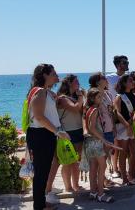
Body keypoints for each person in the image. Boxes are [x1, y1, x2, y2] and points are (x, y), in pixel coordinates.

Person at [26, 64, 70, 210]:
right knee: (41, 173)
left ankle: (41, 203)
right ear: (45, 75)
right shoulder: (40, 92)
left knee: (42, 172)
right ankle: (39, 206)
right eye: (53, 73)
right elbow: (39, 117)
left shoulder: (43, 91)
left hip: (42, 134)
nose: (56, 75)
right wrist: (57, 132)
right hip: (41, 135)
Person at [84, 88, 119, 203]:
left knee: (93, 168)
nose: (101, 99)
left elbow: (87, 128)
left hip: (89, 142)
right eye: (99, 97)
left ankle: (93, 192)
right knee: (102, 167)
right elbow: (92, 128)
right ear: (92, 98)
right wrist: (103, 139)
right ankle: (100, 194)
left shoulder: (88, 109)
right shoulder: (95, 110)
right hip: (96, 142)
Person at [56, 74, 85, 192]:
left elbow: (82, 110)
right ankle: (68, 187)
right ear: (69, 83)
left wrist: (82, 98)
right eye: (76, 82)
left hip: (78, 130)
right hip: (67, 132)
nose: (78, 84)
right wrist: (81, 98)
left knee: (77, 160)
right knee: (67, 162)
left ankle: (76, 185)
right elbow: (75, 108)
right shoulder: (62, 99)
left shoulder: (75, 97)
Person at [89, 73, 118, 182]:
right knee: (99, 159)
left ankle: (102, 179)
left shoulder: (108, 94)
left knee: (105, 156)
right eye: (103, 78)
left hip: (109, 128)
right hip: (99, 131)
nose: (106, 79)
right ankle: (100, 181)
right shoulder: (93, 95)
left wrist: (114, 127)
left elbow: (111, 112)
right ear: (97, 82)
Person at [113, 74, 135, 185]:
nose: (132, 82)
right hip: (122, 127)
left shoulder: (134, 95)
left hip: (132, 125)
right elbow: (116, 113)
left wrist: (132, 124)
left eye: (132, 80)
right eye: (130, 80)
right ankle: (124, 178)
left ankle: (131, 175)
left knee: (134, 151)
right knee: (123, 153)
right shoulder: (119, 96)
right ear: (123, 83)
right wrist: (127, 125)